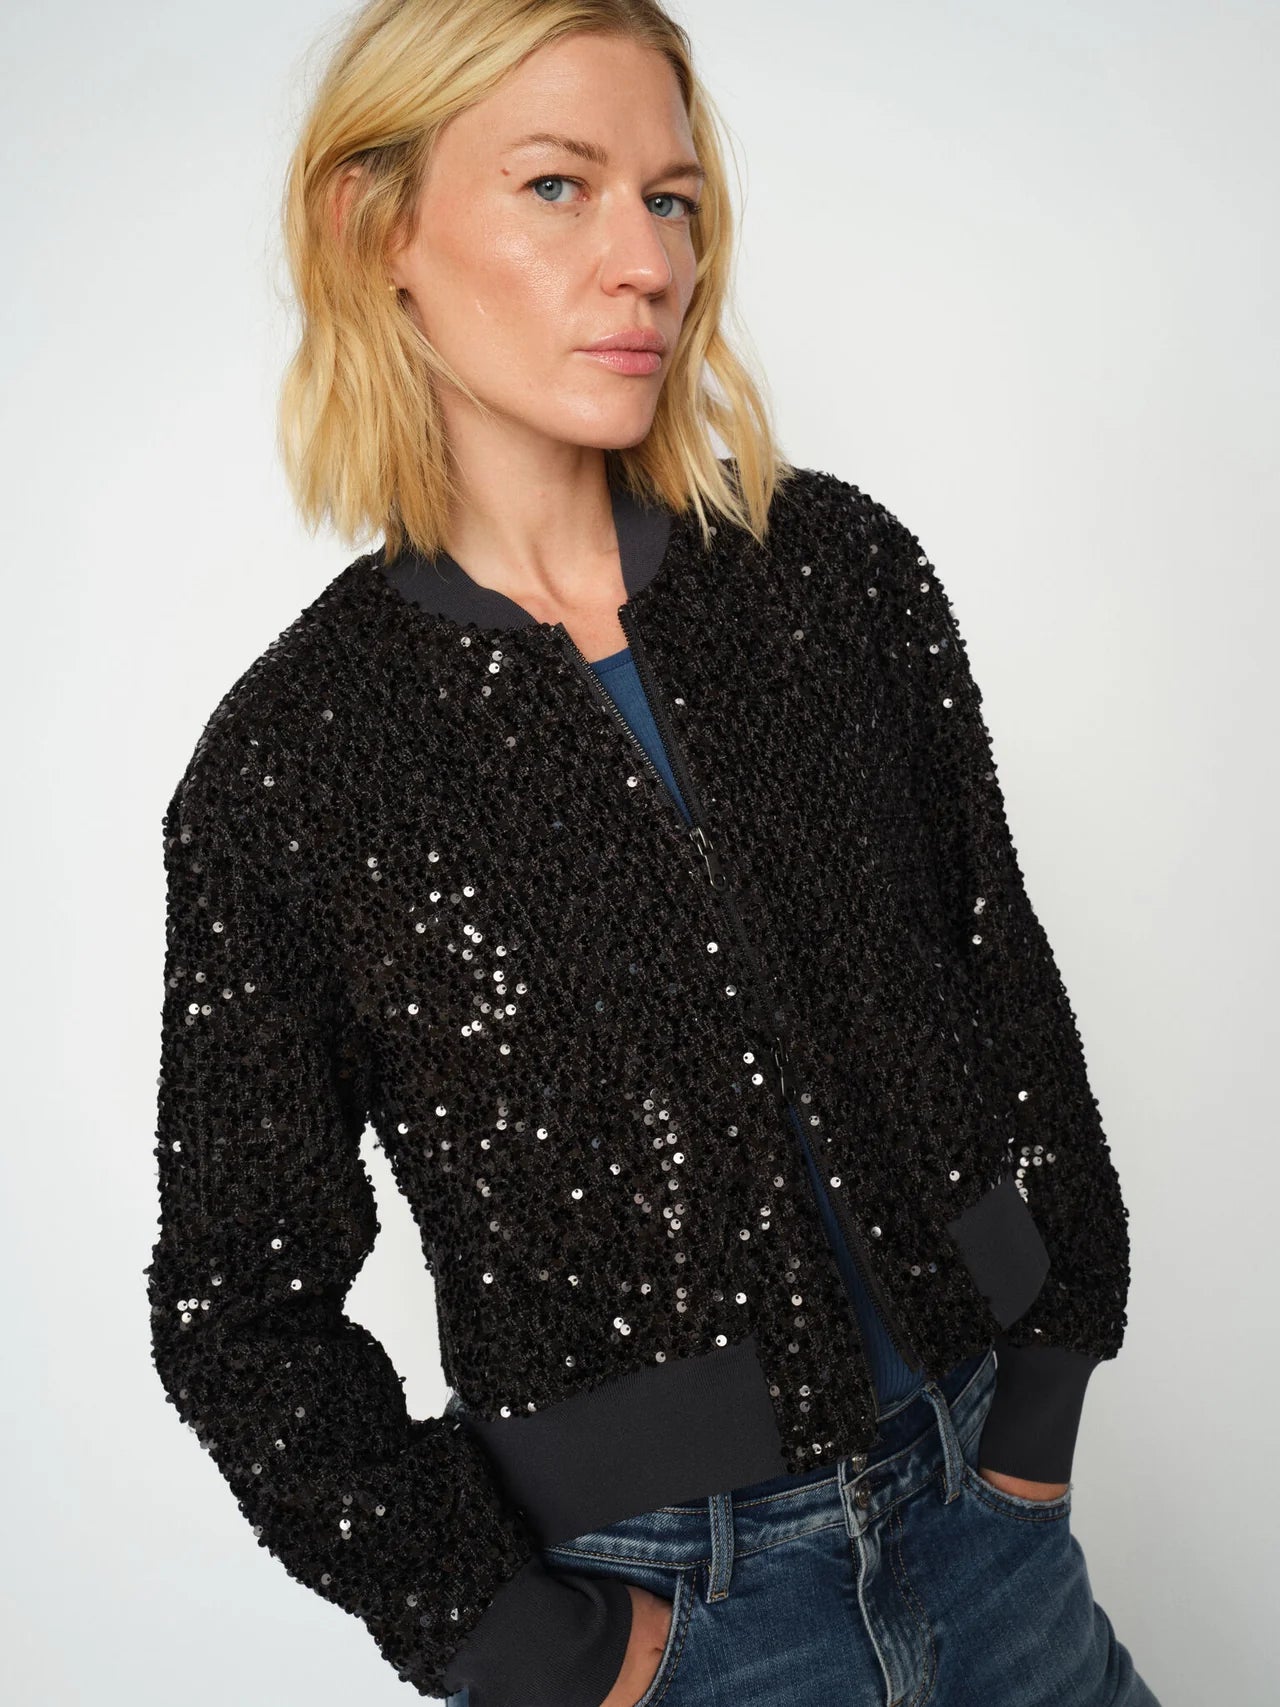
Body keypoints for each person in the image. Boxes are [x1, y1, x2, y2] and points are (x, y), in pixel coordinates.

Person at [145, 2, 1160, 1703]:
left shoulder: (832, 576)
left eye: (672, 199)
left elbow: (1003, 987)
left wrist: (1041, 1407)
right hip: (674, 1617)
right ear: (374, 224)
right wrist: (535, 1650)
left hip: (990, 1529)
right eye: (559, 186)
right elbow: (239, 1311)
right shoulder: (293, 769)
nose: (647, 263)